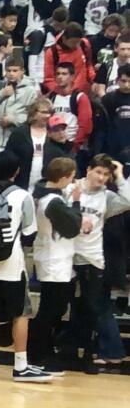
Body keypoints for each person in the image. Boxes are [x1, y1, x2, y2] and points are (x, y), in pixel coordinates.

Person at [0, 151, 49, 381]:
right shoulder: (22, 196)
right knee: (20, 313)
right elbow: (29, 233)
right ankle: (21, 366)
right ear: (17, 170)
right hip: (11, 266)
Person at [60, 155, 130, 368]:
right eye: (98, 172)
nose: (102, 177)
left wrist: (120, 178)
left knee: (93, 307)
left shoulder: (107, 196)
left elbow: (127, 202)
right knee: (69, 305)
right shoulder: (70, 188)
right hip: (67, 256)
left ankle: (89, 352)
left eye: (106, 174)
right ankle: (67, 349)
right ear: (88, 170)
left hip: (93, 258)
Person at [28, 157, 83, 373]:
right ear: (62, 178)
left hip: (54, 258)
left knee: (54, 309)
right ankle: (37, 353)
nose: (73, 181)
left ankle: (43, 350)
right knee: (50, 311)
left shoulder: (47, 196)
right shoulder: (53, 202)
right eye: (71, 177)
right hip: (54, 260)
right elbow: (72, 228)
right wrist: (77, 202)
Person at [25, 0, 71, 82]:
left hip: (48, 30)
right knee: (34, 61)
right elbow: (45, 12)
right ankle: (32, 82)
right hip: (35, 28)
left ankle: (43, 81)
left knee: (45, 60)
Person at [7, 98, 58, 190]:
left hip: (47, 186)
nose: (48, 115)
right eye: (44, 112)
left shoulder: (54, 133)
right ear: (34, 114)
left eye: (50, 112)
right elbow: (9, 157)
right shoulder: (19, 133)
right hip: (22, 184)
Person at [102, 62, 130, 163]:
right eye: (123, 81)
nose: (126, 85)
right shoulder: (108, 99)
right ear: (117, 80)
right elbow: (103, 126)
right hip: (113, 148)